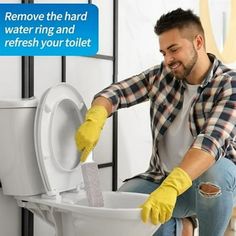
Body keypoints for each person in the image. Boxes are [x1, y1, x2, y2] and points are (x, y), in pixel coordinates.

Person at [75, 8, 236, 236]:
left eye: (173, 50)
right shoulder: (163, 75)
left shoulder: (229, 85)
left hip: (210, 184)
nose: (168, 60)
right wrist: (97, 116)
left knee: (214, 175)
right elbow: (117, 93)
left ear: (198, 42)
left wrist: (172, 186)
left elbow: (210, 143)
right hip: (164, 177)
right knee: (128, 206)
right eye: (163, 53)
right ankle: (182, 227)